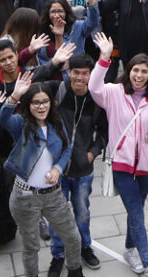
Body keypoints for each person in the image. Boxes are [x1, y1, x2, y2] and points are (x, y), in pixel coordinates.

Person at [88, 33, 148, 277]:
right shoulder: (114, 92)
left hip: (147, 166)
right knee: (136, 213)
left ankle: (130, 249)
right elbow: (94, 87)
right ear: (128, 72)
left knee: (135, 211)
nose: (139, 75)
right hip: (122, 165)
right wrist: (104, 58)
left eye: (144, 71)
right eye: (135, 70)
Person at [0, 74, 88, 277]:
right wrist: (14, 96)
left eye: (45, 101)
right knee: (31, 246)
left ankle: (74, 271)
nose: (41, 107)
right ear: (28, 105)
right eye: (35, 103)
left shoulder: (56, 122)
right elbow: (3, 119)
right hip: (25, 197)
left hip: (54, 195)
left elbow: (66, 149)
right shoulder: (21, 124)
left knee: (73, 237)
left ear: (51, 102)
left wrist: (58, 168)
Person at [37, 54, 107, 273]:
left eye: (85, 73)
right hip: (55, 168)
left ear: (91, 75)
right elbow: (30, 81)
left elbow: (104, 132)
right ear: (68, 72)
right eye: (76, 72)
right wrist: (52, 64)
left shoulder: (97, 99)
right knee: (56, 215)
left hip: (82, 170)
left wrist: (92, 153)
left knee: (82, 212)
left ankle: (84, 247)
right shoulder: (57, 90)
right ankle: (58, 254)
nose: (80, 78)